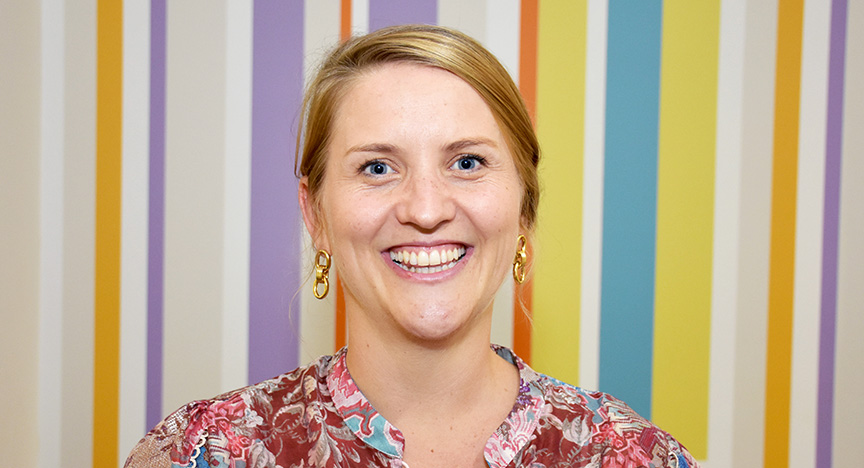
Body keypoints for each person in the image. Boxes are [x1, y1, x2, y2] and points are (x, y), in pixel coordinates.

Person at [126, 24, 698, 468]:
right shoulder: (203, 452)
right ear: (314, 214)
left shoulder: (632, 455)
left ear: (524, 209)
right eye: (377, 167)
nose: (426, 209)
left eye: (468, 162)